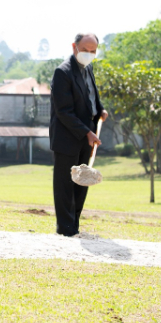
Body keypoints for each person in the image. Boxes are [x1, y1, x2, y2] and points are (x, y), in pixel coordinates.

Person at [49, 33, 107, 237]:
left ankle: (74, 225)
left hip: (88, 136)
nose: (89, 54)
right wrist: (86, 132)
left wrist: (100, 110)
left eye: (93, 51)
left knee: (83, 182)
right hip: (68, 137)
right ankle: (65, 228)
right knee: (65, 185)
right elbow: (63, 111)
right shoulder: (62, 72)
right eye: (85, 50)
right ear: (74, 47)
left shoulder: (88, 68)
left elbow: (92, 95)